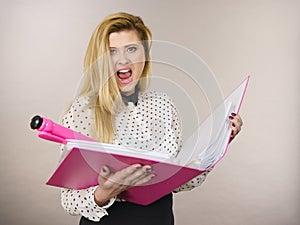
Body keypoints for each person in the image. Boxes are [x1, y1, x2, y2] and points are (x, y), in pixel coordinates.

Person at [59, 12, 243, 225]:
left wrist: (220, 141)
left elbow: (179, 180)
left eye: (132, 49)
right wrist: (103, 193)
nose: (124, 59)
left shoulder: (163, 104)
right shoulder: (82, 112)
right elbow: (68, 199)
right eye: (112, 52)